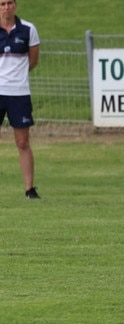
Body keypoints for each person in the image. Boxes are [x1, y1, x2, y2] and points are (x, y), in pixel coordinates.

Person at [0, 0, 41, 199]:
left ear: (15, 5)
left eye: (9, 3)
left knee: (23, 142)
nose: (6, 7)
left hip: (19, 93)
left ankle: (29, 189)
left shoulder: (28, 29)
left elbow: (33, 61)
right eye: (2, 4)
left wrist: (16, 77)